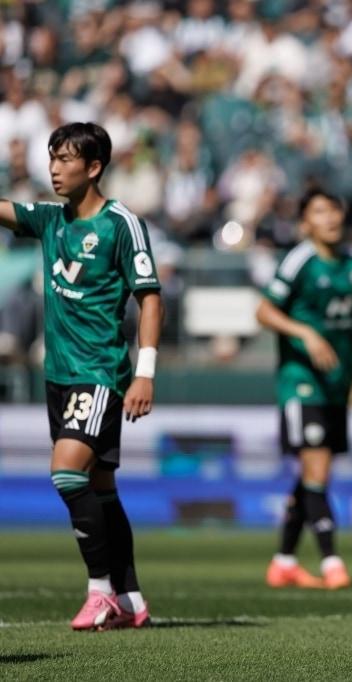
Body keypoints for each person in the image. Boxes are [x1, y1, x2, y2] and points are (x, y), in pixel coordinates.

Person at [0, 122, 163, 630]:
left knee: (66, 472)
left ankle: (100, 593)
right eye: (51, 157)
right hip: (59, 375)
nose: (54, 167)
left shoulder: (120, 224)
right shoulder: (50, 220)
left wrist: (145, 373)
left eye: (66, 158)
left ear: (93, 168)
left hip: (99, 373)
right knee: (101, 487)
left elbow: (150, 297)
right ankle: (132, 599)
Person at [260, 188, 352, 590]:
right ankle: (332, 562)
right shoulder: (299, 260)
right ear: (305, 223)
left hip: (338, 384)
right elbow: (264, 310)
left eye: (335, 208)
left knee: (312, 474)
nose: (331, 217)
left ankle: (284, 561)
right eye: (320, 211)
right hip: (301, 381)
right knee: (317, 469)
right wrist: (304, 332)